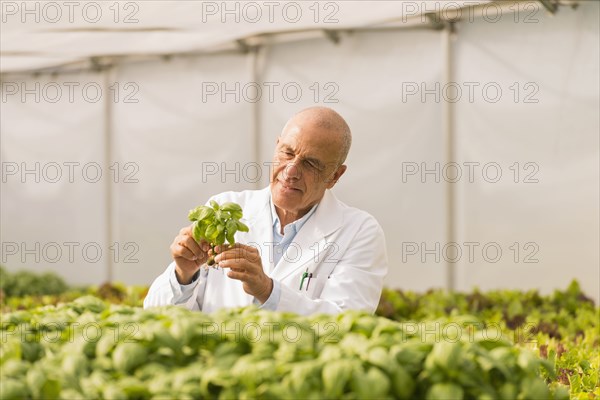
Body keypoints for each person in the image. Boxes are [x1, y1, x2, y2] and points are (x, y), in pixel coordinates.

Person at [144, 107, 388, 315]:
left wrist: (267, 291)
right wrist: (183, 275)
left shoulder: (359, 232)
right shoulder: (224, 211)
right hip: (216, 365)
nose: (291, 171)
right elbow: (158, 315)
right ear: (276, 146)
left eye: (310, 163)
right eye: (288, 153)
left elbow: (345, 323)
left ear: (335, 175)